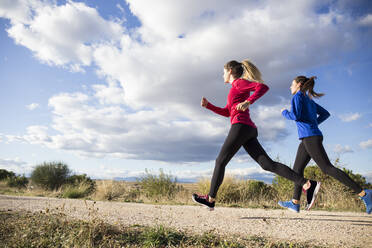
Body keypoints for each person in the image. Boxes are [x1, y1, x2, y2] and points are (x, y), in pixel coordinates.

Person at [192, 60, 319, 211]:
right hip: (247, 129)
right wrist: (209, 106)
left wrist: (248, 101)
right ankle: (307, 184)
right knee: (267, 164)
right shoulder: (235, 88)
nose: (222, 75)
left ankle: (210, 199)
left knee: (220, 161)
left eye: (223, 71)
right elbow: (228, 111)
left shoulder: (239, 83)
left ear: (230, 71)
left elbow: (263, 87)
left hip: (241, 126)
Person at [278, 76, 372, 214]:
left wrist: (284, 112)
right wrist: (314, 124)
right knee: (297, 169)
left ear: (298, 84)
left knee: (327, 168)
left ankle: (364, 194)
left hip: (310, 137)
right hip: (309, 137)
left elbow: (295, 116)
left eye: (291, 84)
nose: (290, 87)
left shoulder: (297, 97)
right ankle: (295, 203)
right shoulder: (309, 100)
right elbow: (325, 114)